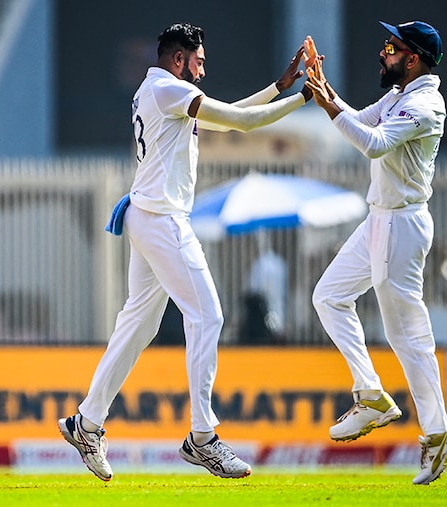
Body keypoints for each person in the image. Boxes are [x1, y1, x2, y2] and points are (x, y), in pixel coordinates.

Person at [58, 22, 314, 482]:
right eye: (199, 60)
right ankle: (202, 438)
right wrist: (304, 99)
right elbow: (239, 122)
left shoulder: (156, 90)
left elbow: (230, 114)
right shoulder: (169, 91)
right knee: (208, 317)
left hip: (146, 215)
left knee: (139, 324)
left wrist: (280, 86)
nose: (203, 67)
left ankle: (87, 422)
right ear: (179, 59)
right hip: (162, 219)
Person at [305, 21, 447, 485]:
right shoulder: (399, 95)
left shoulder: (424, 104)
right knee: (329, 295)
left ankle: (437, 431)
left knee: (407, 335)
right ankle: (373, 395)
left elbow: (374, 144)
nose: (383, 53)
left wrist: (328, 108)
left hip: (402, 223)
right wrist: (326, 91)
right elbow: (360, 118)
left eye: (391, 47)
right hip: (380, 219)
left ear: (412, 58)